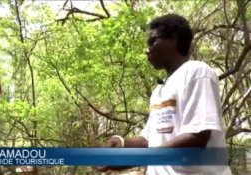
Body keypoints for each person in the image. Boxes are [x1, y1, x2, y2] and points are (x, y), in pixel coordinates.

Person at [97, 14, 232, 175]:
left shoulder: (196, 72)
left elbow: (197, 138)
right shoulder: (159, 91)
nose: (147, 50)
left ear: (173, 38)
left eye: (152, 41)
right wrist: (121, 145)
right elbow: (148, 141)